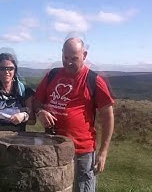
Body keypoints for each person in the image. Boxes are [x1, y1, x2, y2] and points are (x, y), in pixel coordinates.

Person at [33, 34, 114, 192]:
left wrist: (103, 152)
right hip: (52, 146)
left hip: (81, 151)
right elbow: (36, 100)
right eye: (65, 57)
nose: (68, 62)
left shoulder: (94, 80)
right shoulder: (52, 75)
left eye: (74, 58)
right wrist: (40, 111)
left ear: (84, 55)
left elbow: (108, 117)